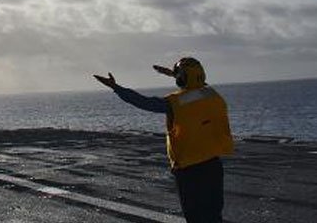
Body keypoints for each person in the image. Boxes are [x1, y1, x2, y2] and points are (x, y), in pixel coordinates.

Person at [93, 57, 233, 223]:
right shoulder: (212, 95)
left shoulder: (176, 103)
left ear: (182, 78)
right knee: (213, 214)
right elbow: (198, 84)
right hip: (213, 164)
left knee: (195, 216)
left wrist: (115, 87)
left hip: (189, 168)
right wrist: (175, 74)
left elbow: (143, 102)